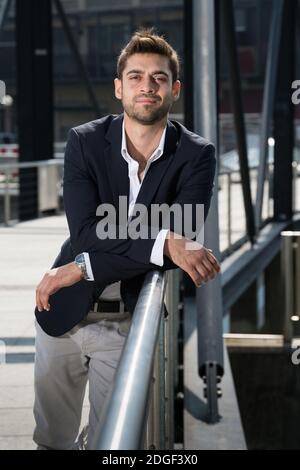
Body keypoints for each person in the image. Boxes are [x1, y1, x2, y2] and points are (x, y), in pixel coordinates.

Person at [33, 29, 220, 450]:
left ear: (175, 89)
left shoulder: (196, 154)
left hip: (129, 322)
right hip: (62, 310)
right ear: (119, 89)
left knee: (112, 446)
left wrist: (83, 266)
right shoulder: (85, 141)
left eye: (158, 78)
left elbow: (183, 239)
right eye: (135, 77)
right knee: (50, 442)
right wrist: (163, 241)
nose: (146, 86)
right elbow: (85, 232)